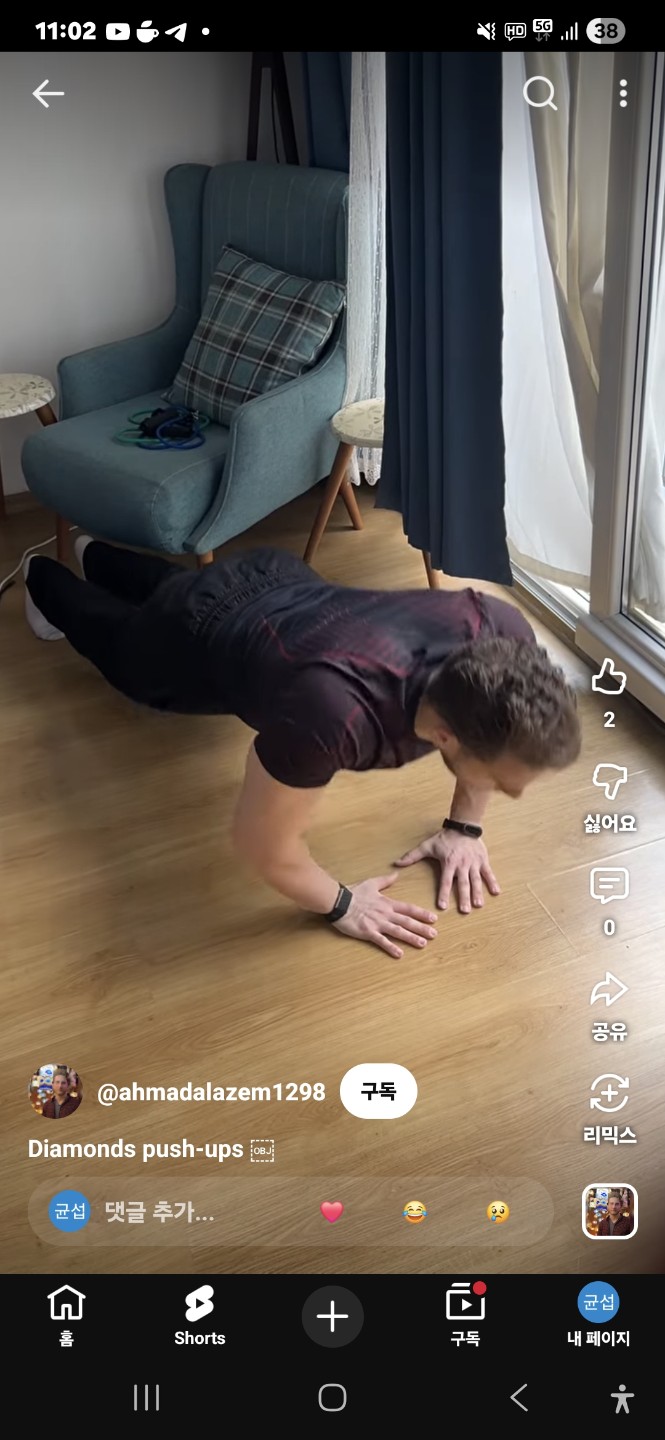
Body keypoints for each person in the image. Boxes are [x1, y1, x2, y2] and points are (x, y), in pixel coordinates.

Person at [24, 540, 581, 958]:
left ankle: (94, 551)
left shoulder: (501, 629)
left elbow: (493, 731)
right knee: (119, 646)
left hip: (280, 580)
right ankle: (40, 574)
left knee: (182, 588)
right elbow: (262, 845)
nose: (512, 794)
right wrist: (344, 905)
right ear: (444, 736)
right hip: (199, 634)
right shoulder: (334, 715)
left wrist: (464, 828)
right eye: (501, 781)